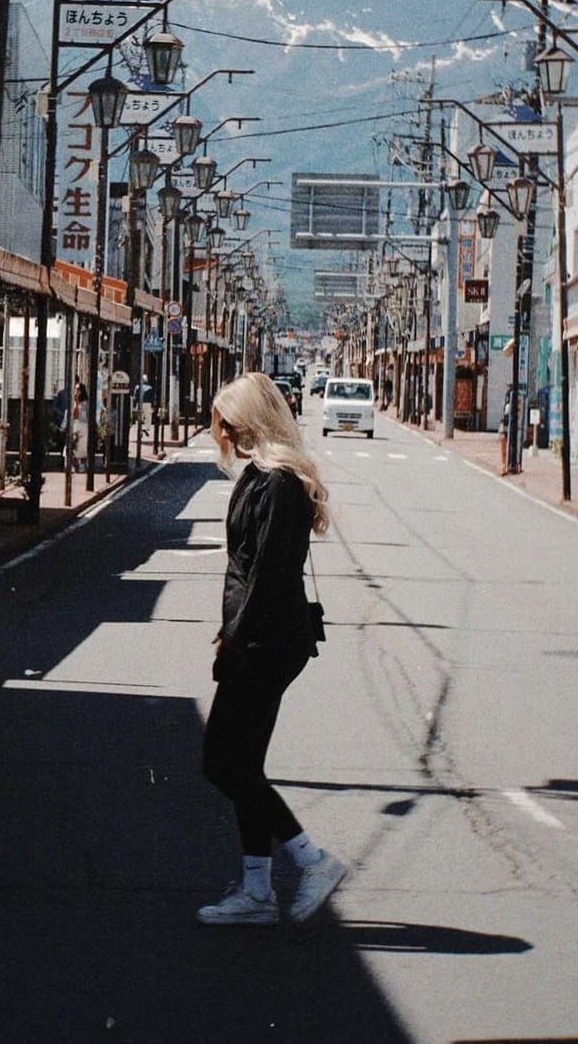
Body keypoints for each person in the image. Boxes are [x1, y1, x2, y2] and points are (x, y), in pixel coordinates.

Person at [197, 371, 346, 927]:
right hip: (257, 637)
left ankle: (312, 860)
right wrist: (228, 631)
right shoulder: (261, 477)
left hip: (266, 642)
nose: (225, 433)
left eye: (231, 423)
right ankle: (257, 891)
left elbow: (266, 577)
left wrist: (236, 641)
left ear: (254, 420)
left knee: (222, 761)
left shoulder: (280, 484)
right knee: (243, 766)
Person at [70, 381, 90, 472]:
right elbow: (73, 415)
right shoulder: (72, 402)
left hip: (83, 426)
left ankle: (83, 464)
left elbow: (81, 415)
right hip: (75, 425)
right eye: (75, 389)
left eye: (78, 389)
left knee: (82, 446)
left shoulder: (86, 403)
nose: (76, 391)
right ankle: (74, 464)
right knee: (74, 445)